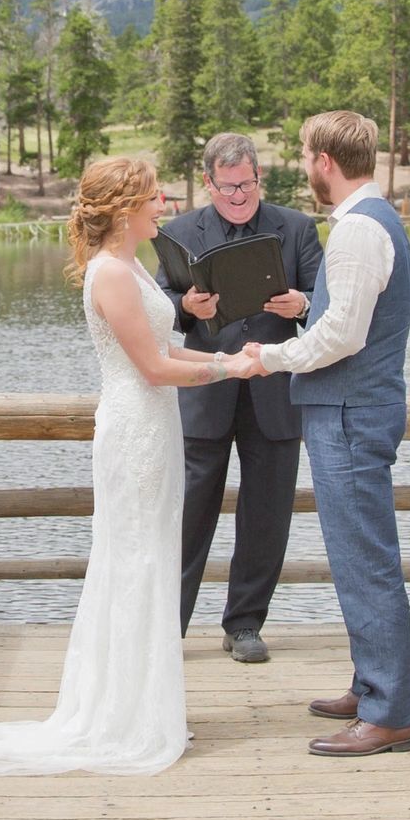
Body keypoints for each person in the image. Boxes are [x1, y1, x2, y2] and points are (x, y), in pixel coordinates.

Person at [0, 156, 265, 777]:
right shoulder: (110, 273)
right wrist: (228, 368)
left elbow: (164, 347)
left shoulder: (132, 265)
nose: (164, 203)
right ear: (125, 207)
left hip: (155, 426)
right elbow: (154, 370)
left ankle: (143, 705)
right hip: (134, 427)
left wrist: (227, 353)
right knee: (134, 560)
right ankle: (123, 718)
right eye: (153, 195)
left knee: (152, 556)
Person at [245, 110, 410, 758]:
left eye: (305, 154)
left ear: (324, 161)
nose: (304, 164)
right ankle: (372, 683)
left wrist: (268, 355)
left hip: (348, 413)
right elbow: (346, 318)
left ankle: (389, 711)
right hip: (353, 409)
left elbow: (343, 336)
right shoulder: (375, 222)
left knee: (364, 560)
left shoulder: (355, 233)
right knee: (359, 557)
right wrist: (303, 310)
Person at [154, 132, 322, 663]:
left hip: (274, 395)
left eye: (245, 185)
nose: (237, 196)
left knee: (267, 515)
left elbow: (329, 304)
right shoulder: (180, 231)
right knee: (188, 513)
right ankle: (168, 627)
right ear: (208, 184)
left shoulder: (296, 228)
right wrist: (186, 308)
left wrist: (300, 304)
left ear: (259, 178)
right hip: (205, 393)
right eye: (226, 188)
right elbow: (158, 304)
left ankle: (245, 624)